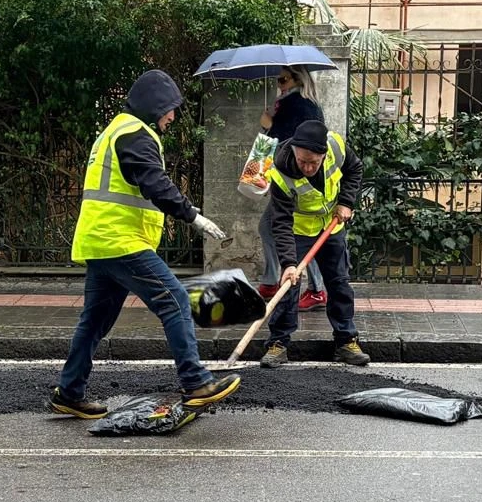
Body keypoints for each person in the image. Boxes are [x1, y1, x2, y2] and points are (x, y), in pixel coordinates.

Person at [50, 69, 242, 418]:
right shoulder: (136, 134)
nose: (171, 117)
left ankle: (69, 391)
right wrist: (193, 217)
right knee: (175, 299)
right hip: (121, 242)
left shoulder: (114, 131)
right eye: (169, 109)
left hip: (101, 241)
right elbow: (155, 184)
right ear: (154, 106)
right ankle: (196, 382)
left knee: (94, 322)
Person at [259, 119, 371, 368]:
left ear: (323, 154)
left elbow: (355, 170)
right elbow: (281, 221)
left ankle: (346, 341)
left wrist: (346, 202)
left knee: (339, 283)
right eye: (302, 161)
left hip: (332, 226)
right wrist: (288, 263)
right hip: (298, 230)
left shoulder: (336, 147)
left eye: (313, 162)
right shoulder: (279, 173)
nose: (307, 167)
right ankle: (278, 344)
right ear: (294, 152)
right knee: (289, 285)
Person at [255, 67, 326, 308]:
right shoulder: (301, 103)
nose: (279, 84)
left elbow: (284, 142)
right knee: (270, 227)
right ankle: (273, 280)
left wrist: (268, 124)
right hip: (297, 179)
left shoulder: (296, 104)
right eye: (278, 80)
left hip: (293, 180)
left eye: (283, 79)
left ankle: (314, 288)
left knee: (289, 233)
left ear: (298, 79)